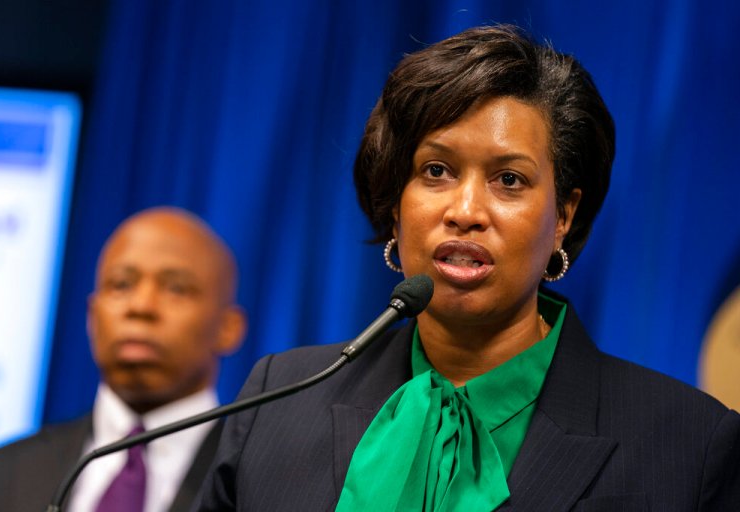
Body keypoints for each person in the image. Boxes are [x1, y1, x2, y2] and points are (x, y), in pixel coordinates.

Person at [193, 24, 740, 511]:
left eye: (509, 180)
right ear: (395, 203)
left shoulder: (689, 442)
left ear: (563, 217)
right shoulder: (280, 399)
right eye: (436, 170)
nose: (465, 211)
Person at [0, 206, 246, 512]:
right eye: (121, 285)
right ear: (92, 315)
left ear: (228, 328)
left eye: (176, 288)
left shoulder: (260, 485)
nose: (141, 306)